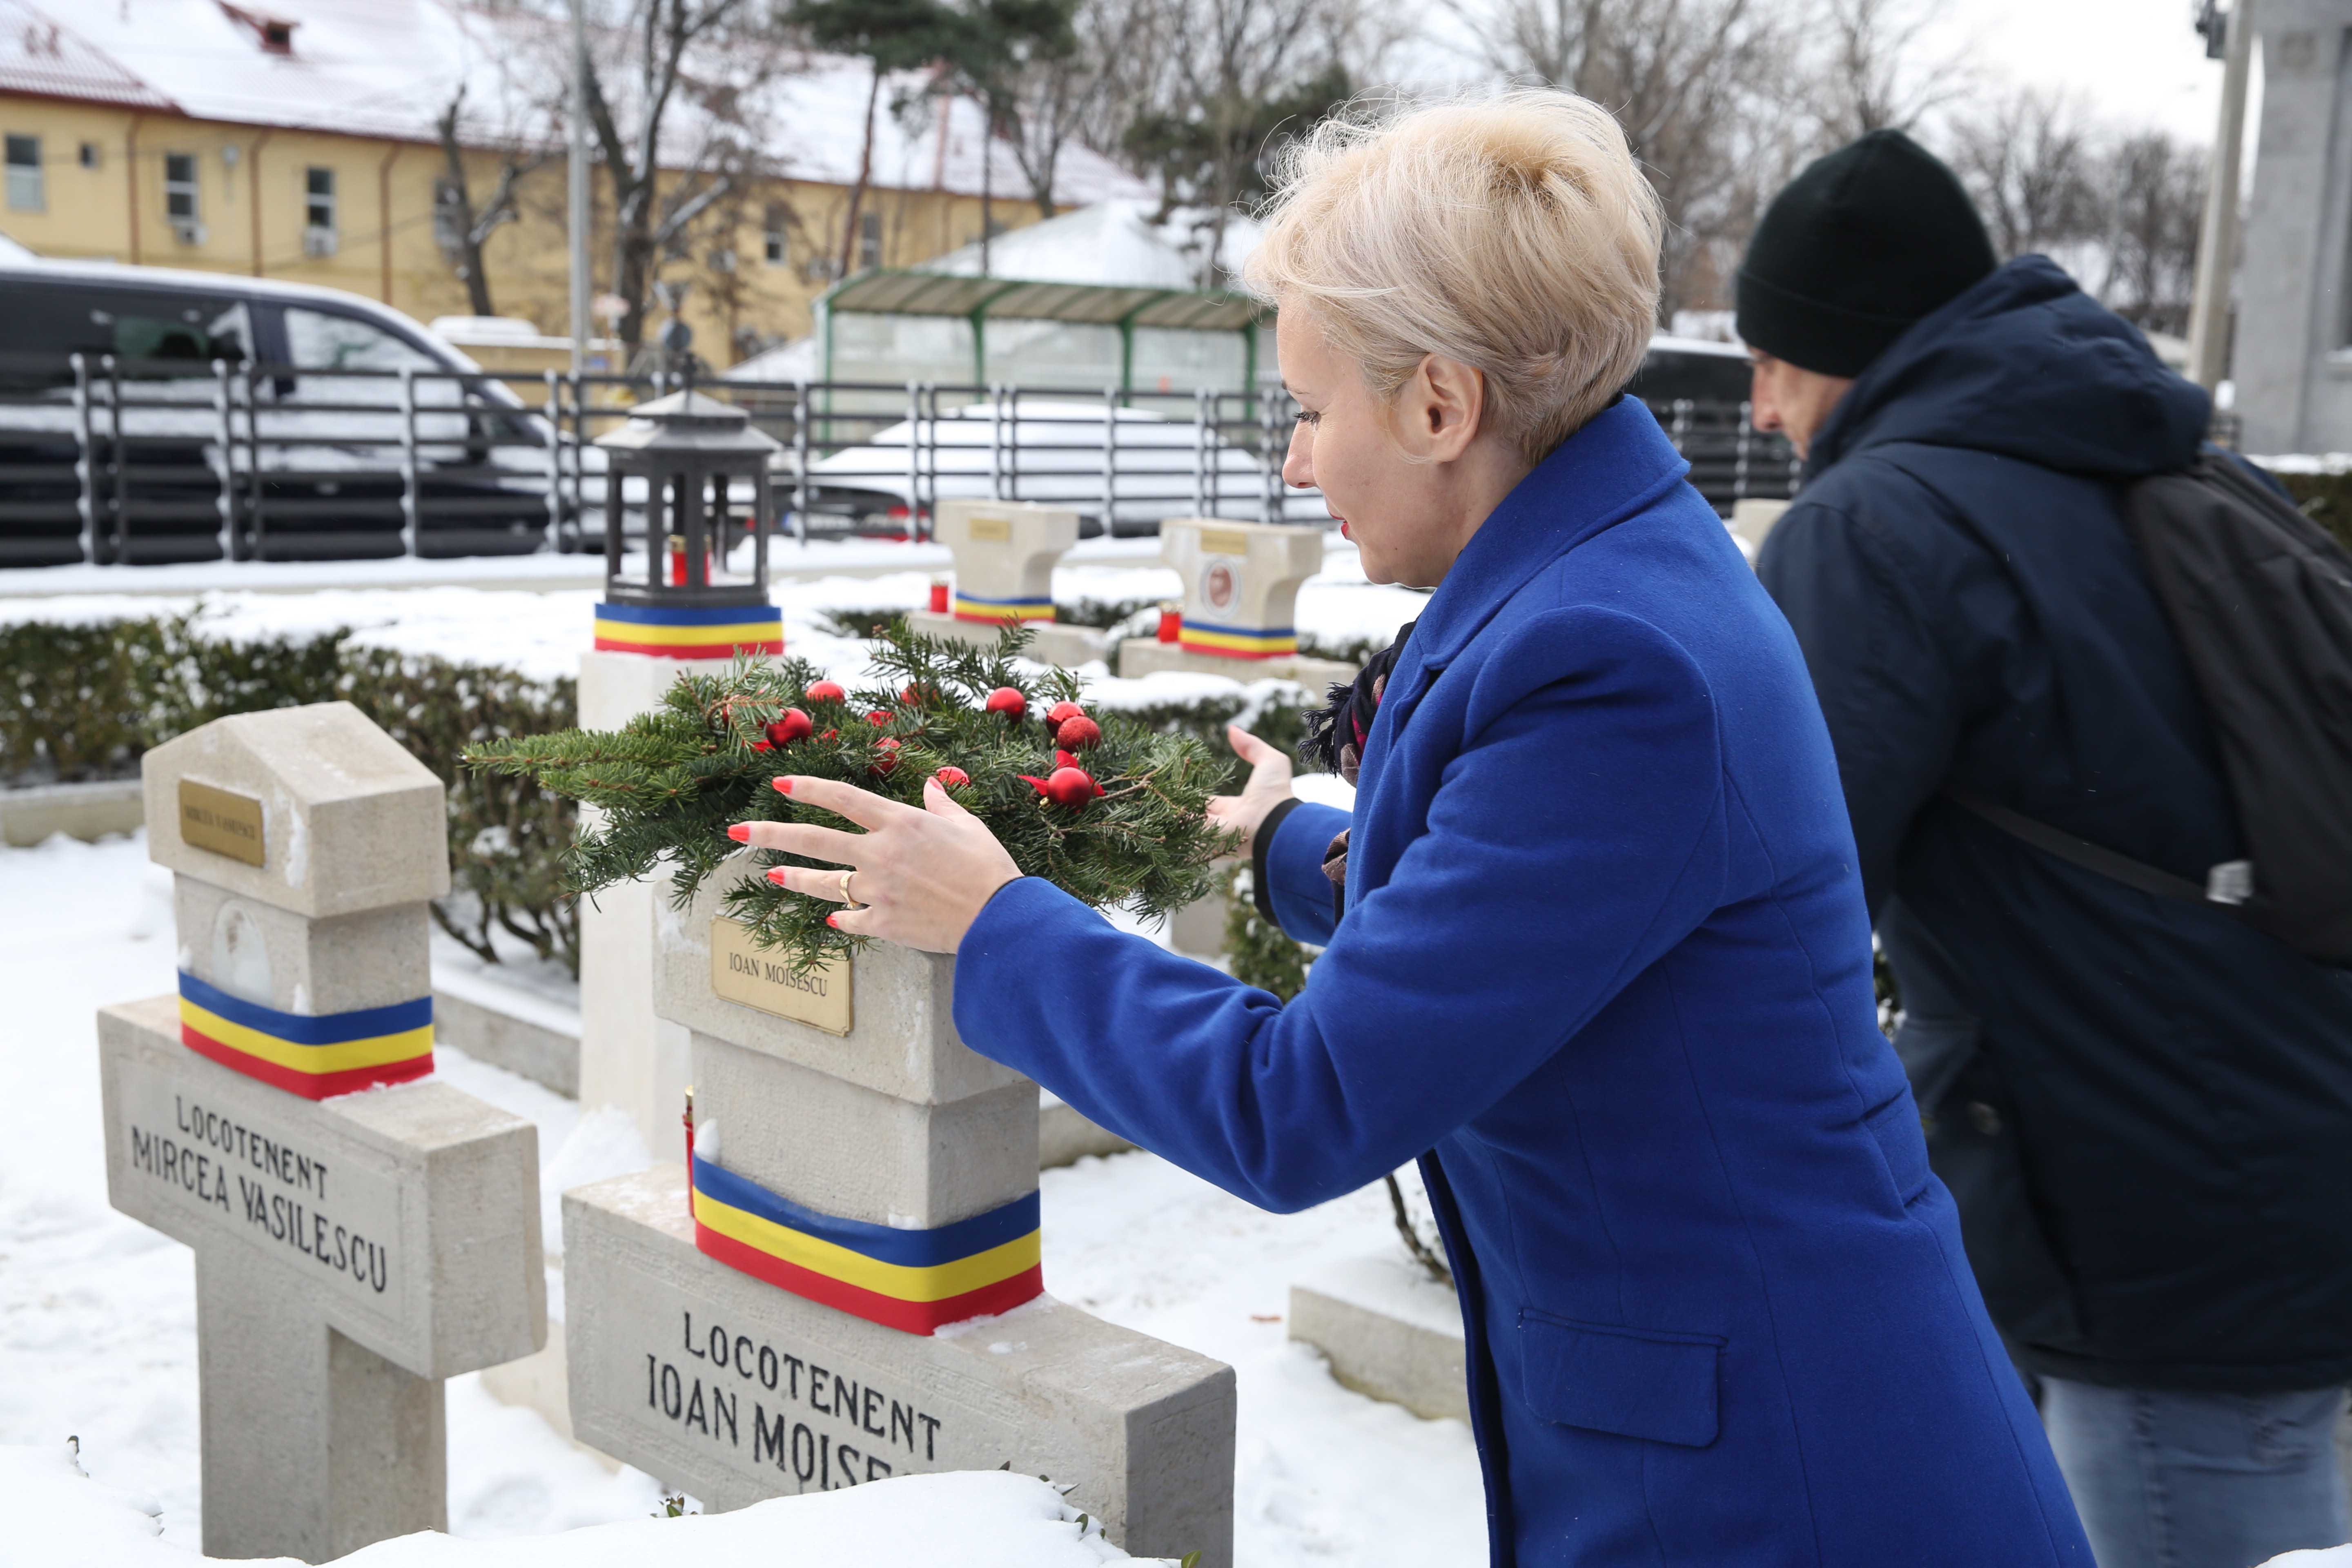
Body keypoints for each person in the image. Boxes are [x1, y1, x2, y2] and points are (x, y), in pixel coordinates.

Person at [742, 95, 2090, 1566]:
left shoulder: (1611, 665)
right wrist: (1282, 844)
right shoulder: (1599, 568)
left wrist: (996, 925)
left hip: (1788, 1478)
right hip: (1735, 1421)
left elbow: (1301, 1105)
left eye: (1311, 410)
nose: (1294, 463)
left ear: (1442, 408)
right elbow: (1561, 924)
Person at [1745, 129, 2352, 1568]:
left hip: (2147, 1235)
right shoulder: (2161, 459)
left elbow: (1779, 891)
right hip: (2274, 1149)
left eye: (1773, 361)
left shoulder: (1875, 527)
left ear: (1846, 349)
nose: (1762, 406)